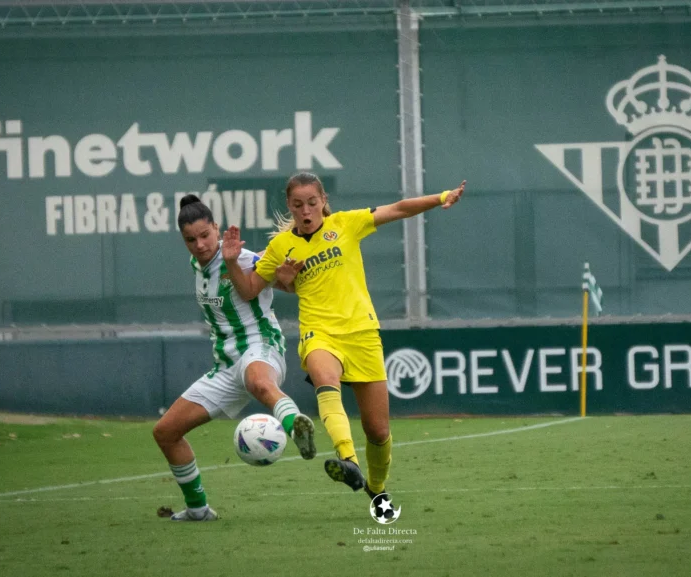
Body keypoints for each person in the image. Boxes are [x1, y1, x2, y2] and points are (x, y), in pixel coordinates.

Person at [221, 172, 466, 504]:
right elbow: (249, 289)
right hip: (319, 331)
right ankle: (347, 460)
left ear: (323, 201)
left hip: (362, 332)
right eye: (297, 205)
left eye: (311, 203)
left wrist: (440, 197)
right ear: (289, 207)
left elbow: (399, 208)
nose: (306, 211)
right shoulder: (280, 247)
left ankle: (376, 488)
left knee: (378, 432)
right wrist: (233, 262)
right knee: (324, 376)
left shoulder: (346, 224)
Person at [152, 194, 317, 522]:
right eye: (190, 240)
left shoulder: (242, 259)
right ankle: (198, 509)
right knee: (165, 432)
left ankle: (296, 426)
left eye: (204, 235)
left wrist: (286, 278)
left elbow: (285, 282)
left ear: (216, 228)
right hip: (226, 367)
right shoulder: (197, 264)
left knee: (258, 381)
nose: (199, 245)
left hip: (261, 348)